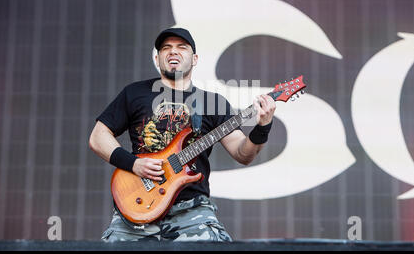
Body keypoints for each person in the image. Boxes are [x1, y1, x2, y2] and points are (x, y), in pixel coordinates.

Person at [89, 27, 276, 242]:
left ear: (194, 58)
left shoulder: (213, 103)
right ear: (157, 58)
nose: (173, 52)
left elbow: (243, 153)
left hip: (192, 212)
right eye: (166, 48)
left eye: (181, 47)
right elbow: (98, 136)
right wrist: (133, 164)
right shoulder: (134, 93)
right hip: (136, 207)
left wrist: (263, 127)